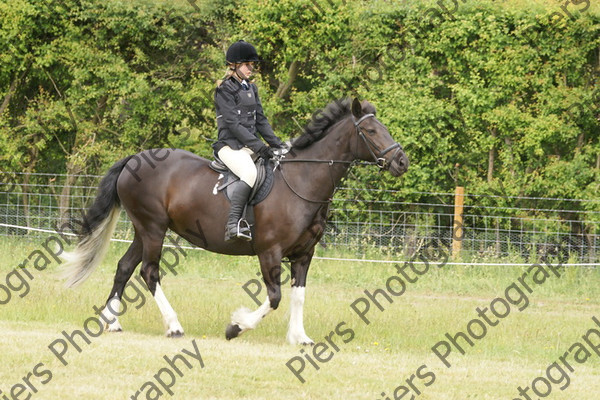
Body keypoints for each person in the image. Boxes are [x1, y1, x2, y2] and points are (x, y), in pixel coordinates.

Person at [213, 40, 288, 242]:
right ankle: (233, 224)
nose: (251, 68)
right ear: (234, 65)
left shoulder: (251, 89)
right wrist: (260, 147)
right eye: (247, 64)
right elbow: (233, 124)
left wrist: (277, 145)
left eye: (252, 64)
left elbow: (261, 120)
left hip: (249, 147)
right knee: (249, 172)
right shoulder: (225, 90)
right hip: (230, 147)